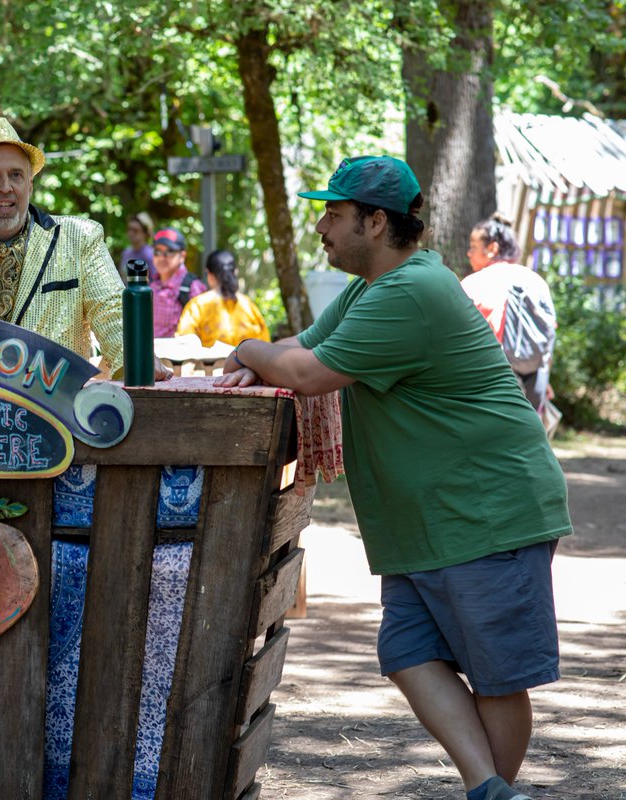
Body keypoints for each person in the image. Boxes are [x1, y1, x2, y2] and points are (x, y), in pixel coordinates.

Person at [215, 156, 570, 800]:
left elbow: (307, 374)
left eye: (334, 213)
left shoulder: (409, 292)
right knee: (407, 651)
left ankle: (493, 791)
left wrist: (246, 352)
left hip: (486, 508)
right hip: (431, 519)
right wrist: (264, 361)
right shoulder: (370, 290)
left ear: (376, 222)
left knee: (495, 676)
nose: (322, 226)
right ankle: (490, 788)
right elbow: (303, 349)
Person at [0, 116, 169, 381]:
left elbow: (111, 311)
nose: (5, 187)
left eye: (16, 175)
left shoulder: (80, 238)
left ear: (30, 184)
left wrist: (136, 358)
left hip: (62, 416)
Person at [461, 213, 556, 414]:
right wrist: (544, 378)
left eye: (473, 247)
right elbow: (550, 333)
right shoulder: (535, 280)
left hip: (491, 381)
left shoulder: (476, 282)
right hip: (533, 379)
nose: (469, 253)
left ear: (492, 249)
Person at [176, 249, 270, 347]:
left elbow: (184, 341)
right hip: (248, 362)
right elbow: (265, 344)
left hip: (210, 362)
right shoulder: (248, 306)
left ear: (209, 274)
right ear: (235, 272)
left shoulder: (197, 305)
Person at [150, 227, 208, 337]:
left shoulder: (192, 287)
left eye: (169, 251)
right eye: (157, 251)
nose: (162, 257)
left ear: (182, 256)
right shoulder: (152, 285)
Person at [119, 211, 155, 278]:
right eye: (129, 229)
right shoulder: (126, 252)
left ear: (145, 233)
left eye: (135, 230)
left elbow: (156, 281)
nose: (131, 233)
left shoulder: (150, 254)